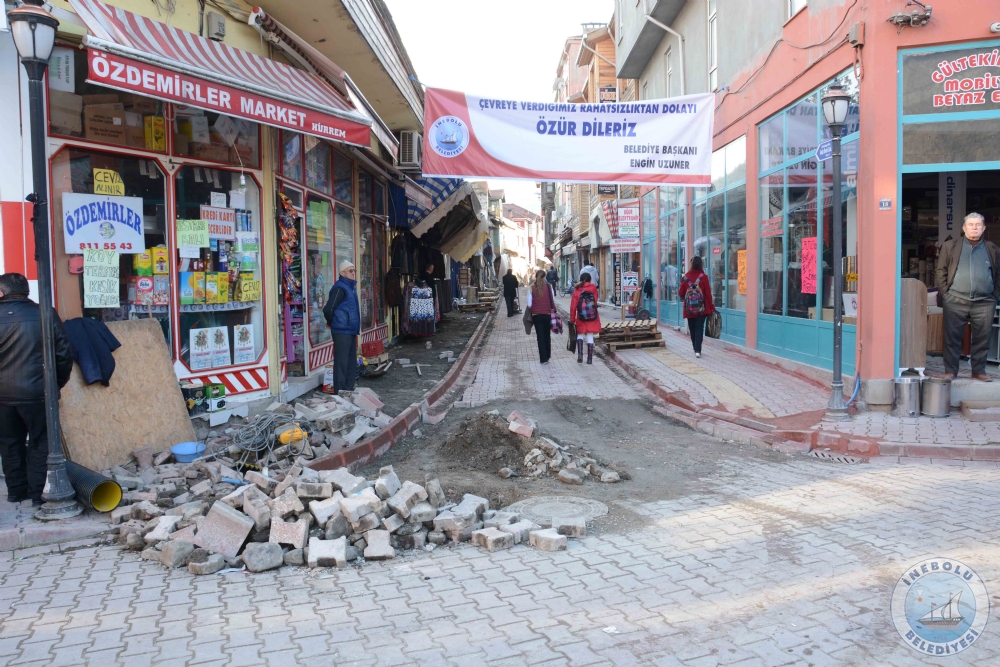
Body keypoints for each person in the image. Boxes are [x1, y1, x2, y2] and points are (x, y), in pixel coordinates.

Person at [0, 273, 73, 505]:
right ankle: (37, 495)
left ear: (2, 293)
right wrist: (55, 385)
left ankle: (15, 492)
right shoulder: (44, 313)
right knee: (41, 442)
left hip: (3, 395)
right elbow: (63, 354)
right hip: (38, 392)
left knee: (9, 442)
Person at [936, 212, 1000, 381]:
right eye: (970, 225)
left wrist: (994, 294)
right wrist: (945, 294)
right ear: (964, 228)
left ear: (984, 228)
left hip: (985, 301)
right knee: (952, 338)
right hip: (955, 299)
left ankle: (979, 371)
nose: (974, 228)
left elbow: (998, 273)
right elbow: (940, 270)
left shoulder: (992, 249)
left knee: (982, 339)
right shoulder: (950, 246)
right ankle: (950, 371)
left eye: (978, 225)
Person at [323, 261, 360, 394]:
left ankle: (348, 390)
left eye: (354, 270)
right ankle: (340, 392)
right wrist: (331, 322)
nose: (353, 273)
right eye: (350, 271)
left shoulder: (350, 287)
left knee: (350, 362)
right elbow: (328, 308)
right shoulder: (340, 288)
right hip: (341, 331)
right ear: (342, 273)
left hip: (349, 329)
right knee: (342, 363)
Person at [678, 256, 716, 358]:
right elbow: (708, 294)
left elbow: (680, 293)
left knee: (692, 328)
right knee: (699, 328)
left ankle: (695, 348)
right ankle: (698, 350)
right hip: (702, 309)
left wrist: (687, 299)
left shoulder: (685, 277)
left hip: (689, 309)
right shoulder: (704, 277)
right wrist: (712, 307)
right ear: (701, 264)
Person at [570, 273, 602, 364]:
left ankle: (580, 356)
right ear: (590, 279)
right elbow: (595, 301)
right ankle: (589, 359)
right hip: (592, 316)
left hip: (581, 316)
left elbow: (573, 306)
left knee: (580, 335)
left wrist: (572, 319)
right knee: (590, 336)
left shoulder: (577, 290)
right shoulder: (593, 288)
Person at [527, 270, 556, 364]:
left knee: (540, 336)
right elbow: (553, 299)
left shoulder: (531, 288)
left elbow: (529, 304)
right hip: (547, 314)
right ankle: (548, 356)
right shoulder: (549, 287)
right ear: (544, 277)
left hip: (536, 315)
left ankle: (543, 359)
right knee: (547, 335)